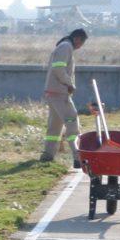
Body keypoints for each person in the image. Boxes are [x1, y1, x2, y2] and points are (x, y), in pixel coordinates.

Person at [40, 28, 87, 165]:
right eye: (81, 43)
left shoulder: (63, 46)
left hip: (53, 92)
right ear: (77, 39)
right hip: (60, 93)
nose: (80, 46)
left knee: (54, 126)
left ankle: (48, 154)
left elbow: (58, 68)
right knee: (72, 123)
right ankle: (78, 157)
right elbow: (58, 69)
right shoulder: (66, 47)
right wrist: (69, 84)